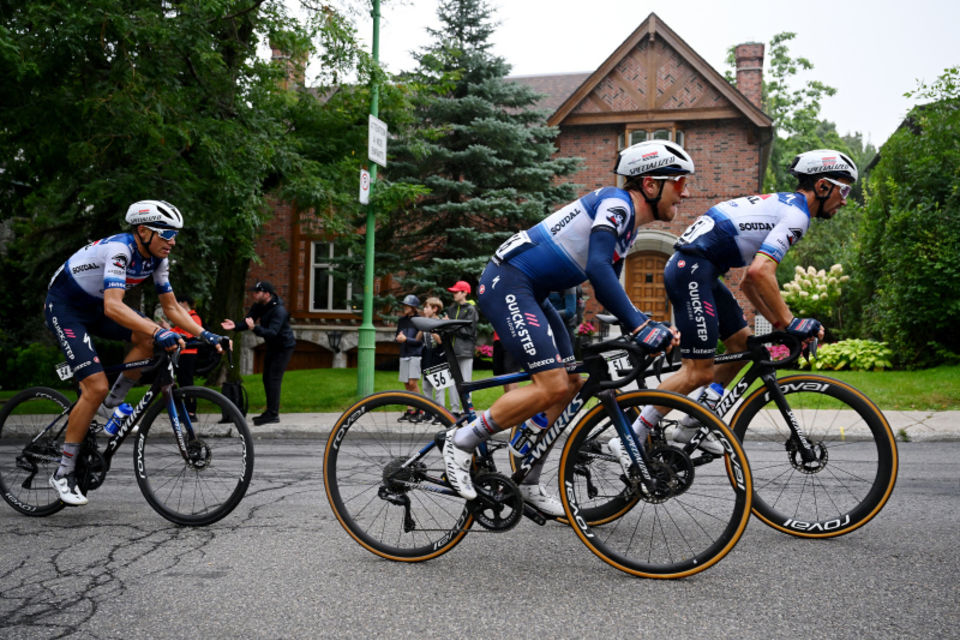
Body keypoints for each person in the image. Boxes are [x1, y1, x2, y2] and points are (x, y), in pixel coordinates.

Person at [442, 140, 686, 516]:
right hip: (508, 282)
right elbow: (599, 271)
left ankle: (527, 477)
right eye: (679, 184)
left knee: (572, 383)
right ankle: (461, 442)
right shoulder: (616, 205)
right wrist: (640, 326)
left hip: (532, 291)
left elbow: (609, 291)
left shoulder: (628, 227)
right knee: (553, 383)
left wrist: (645, 327)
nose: (684, 194)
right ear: (651, 185)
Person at [615, 148, 857, 463]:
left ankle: (691, 423)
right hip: (692, 270)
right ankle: (631, 439)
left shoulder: (787, 206)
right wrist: (791, 321)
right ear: (823, 187)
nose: (846, 199)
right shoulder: (797, 215)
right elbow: (760, 272)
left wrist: (783, 325)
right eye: (844, 190)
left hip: (699, 269)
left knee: (743, 344)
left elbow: (749, 282)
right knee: (697, 371)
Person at [44, 200, 225, 506]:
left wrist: (205, 334)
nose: (172, 241)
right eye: (166, 233)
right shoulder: (121, 250)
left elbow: (170, 308)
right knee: (95, 385)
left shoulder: (157, 259)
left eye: (175, 235)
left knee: (146, 340)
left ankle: (110, 404)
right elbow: (114, 306)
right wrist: (159, 330)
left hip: (97, 307)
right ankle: (63, 473)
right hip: (67, 309)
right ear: (143, 231)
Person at [221, 280, 296, 426]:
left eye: (257, 292)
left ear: (267, 294)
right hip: (272, 346)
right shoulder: (259, 306)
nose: (254, 295)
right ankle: (269, 411)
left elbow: (272, 332)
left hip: (283, 347)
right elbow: (248, 321)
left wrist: (254, 328)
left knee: (273, 378)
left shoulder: (279, 310)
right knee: (266, 378)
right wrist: (235, 325)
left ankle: (273, 414)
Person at [445, 281, 479, 419]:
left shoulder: (471, 309)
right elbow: (453, 329)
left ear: (464, 293)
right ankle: (454, 410)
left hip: (465, 351)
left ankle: (467, 409)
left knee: (465, 381)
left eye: (456, 292)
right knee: (453, 381)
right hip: (452, 351)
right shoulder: (451, 309)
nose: (453, 294)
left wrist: (449, 324)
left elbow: (468, 331)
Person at [171, 296, 203, 419]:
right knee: (183, 382)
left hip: (189, 353)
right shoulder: (185, 318)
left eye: (178, 303)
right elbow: (177, 331)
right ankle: (186, 411)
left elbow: (190, 335)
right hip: (182, 354)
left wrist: (172, 331)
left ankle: (191, 412)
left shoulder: (193, 317)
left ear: (184, 302)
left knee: (187, 382)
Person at [418, 296, 448, 421]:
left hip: (439, 357)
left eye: (427, 307)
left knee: (439, 388)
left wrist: (431, 329)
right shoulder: (425, 322)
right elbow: (417, 338)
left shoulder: (440, 322)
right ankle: (428, 412)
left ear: (435, 309)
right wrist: (422, 326)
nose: (424, 309)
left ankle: (440, 414)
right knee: (426, 386)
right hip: (427, 357)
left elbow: (440, 341)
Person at [395, 294, 424, 422]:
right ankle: (410, 410)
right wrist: (398, 338)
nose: (404, 307)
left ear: (414, 307)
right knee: (406, 384)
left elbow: (419, 342)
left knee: (413, 383)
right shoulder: (402, 320)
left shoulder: (419, 321)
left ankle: (421, 409)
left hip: (415, 354)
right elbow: (398, 336)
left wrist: (406, 339)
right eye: (404, 305)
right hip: (404, 354)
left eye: (407, 305)